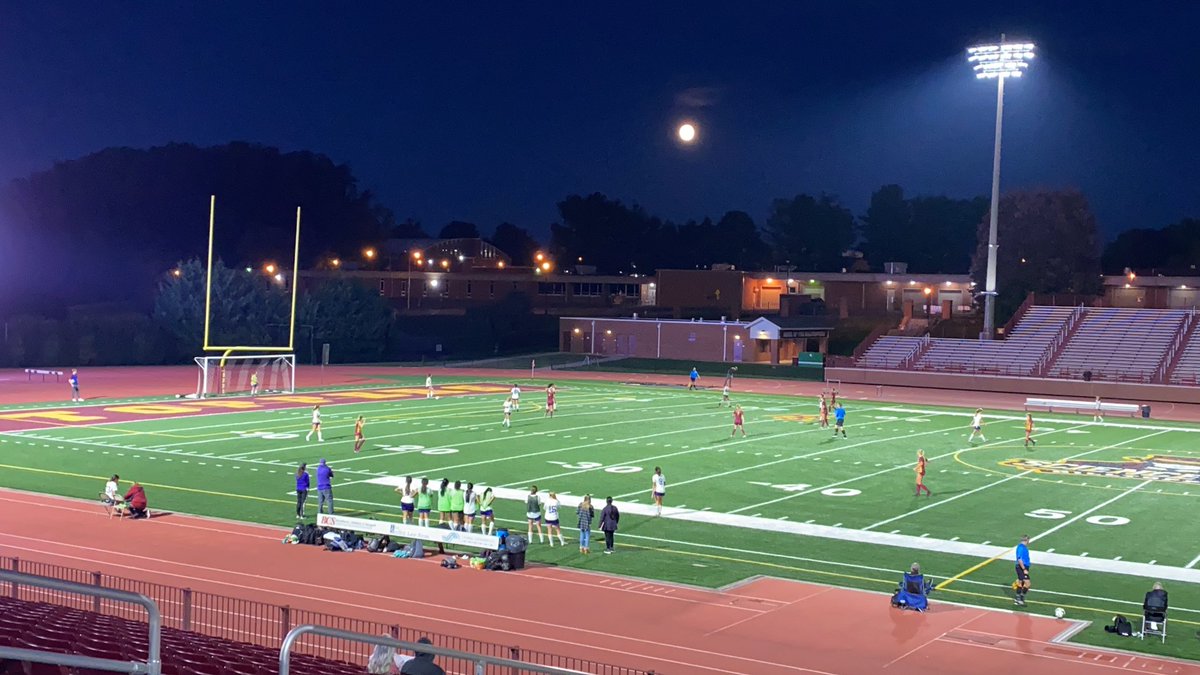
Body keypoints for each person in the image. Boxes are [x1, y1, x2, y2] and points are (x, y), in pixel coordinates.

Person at [1014, 535, 1032, 606]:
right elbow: (1019, 559)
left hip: (1024, 567)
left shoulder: (1023, 547)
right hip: (1021, 567)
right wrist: (1024, 569)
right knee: (1027, 583)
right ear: (1026, 540)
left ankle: (1018, 597)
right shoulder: (1020, 548)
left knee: (1021, 582)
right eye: (1028, 540)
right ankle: (1020, 597)